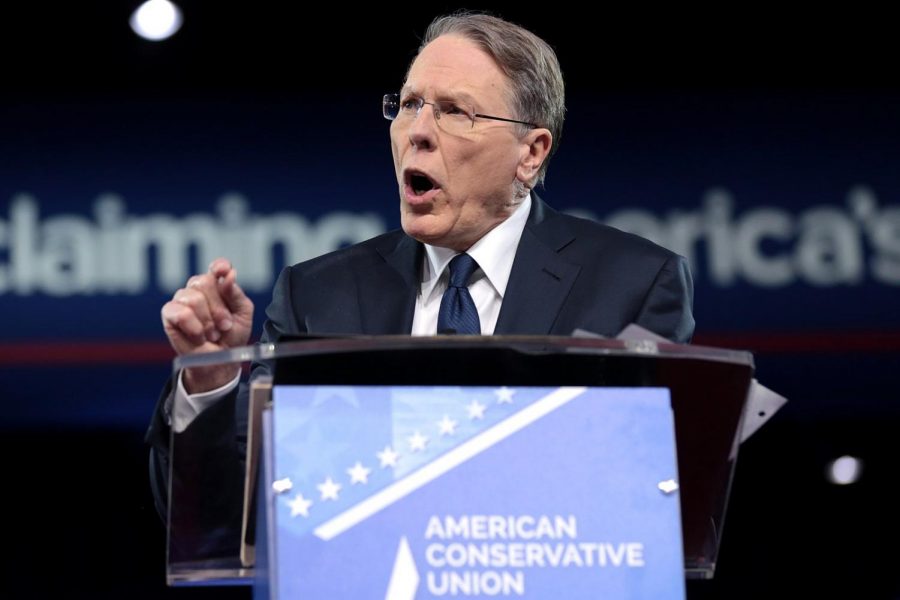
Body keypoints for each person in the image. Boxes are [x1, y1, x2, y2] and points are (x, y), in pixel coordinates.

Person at [147, 11, 694, 559]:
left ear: (531, 153)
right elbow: (222, 521)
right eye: (408, 105)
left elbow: (646, 502)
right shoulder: (317, 297)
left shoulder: (633, 284)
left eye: (455, 111)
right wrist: (212, 382)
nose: (418, 132)